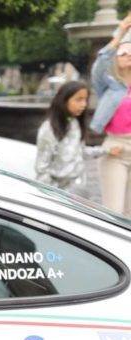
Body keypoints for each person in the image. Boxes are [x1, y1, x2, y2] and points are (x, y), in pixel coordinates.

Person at [35, 81, 120, 199]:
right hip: (58, 196)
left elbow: (80, 152)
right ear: (64, 100)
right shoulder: (49, 129)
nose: (84, 104)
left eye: (85, 100)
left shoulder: (75, 123)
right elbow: (41, 168)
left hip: (77, 192)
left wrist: (106, 151)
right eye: (78, 99)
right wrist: (53, 197)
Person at [92, 12, 131, 215]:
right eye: (123, 53)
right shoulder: (109, 87)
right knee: (114, 212)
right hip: (116, 149)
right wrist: (121, 31)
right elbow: (100, 63)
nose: (128, 55)